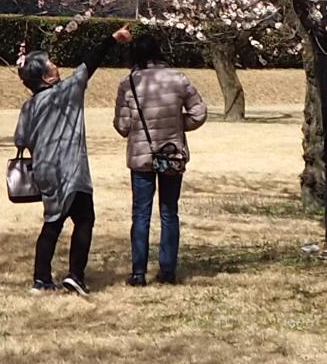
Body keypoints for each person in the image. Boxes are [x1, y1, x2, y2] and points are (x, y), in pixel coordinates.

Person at [14, 22, 131, 296]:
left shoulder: (29, 106)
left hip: (45, 171)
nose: (55, 65)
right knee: (85, 219)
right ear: (45, 77)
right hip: (72, 169)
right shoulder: (67, 91)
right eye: (50, 64)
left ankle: (41, 278)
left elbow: (20, 140)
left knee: (52, 222)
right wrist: (113, 38)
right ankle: (75, 275)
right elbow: (90, 63)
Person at [113, 33, 207, 286]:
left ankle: (138, 272)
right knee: (169, 212)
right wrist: (178, 125)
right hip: (171, 154)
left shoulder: (128, 83)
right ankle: (168, 270)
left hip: (141, 156)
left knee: (140, 214)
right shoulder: (178, 78)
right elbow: (199, 112)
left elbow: (122, 126)